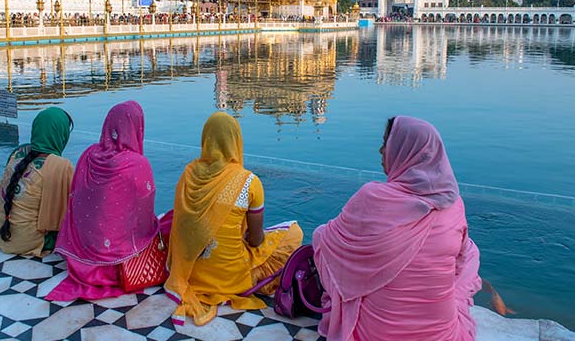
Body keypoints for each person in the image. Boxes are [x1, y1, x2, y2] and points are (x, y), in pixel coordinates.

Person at [313, 116, 481, 341]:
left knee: (322, 237)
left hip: (376, 334)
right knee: (470, 251)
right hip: (441, 335)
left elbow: (329, 244)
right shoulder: (454, 205)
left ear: (406, 151)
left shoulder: (372, 198)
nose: (381, 151)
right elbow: (458, 267)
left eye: (387, 143)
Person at [165, 112, 303, 326]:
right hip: (231, 279)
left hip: (189, 274)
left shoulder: (188, 174)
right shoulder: (249, 181)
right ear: (236, 141)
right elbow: (256, 241)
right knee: (294, 232)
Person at [46, 101, 161, 301]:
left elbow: (77, 201)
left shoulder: (88, 155)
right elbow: (144, 221)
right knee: (164, 224)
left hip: (80, 258)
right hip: (118, 265)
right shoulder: (137, 164)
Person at [0, 107, 74, 256]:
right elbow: (69, 211)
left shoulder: (18, 152)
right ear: (61, 135)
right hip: (26, 240)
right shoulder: (61, 166)